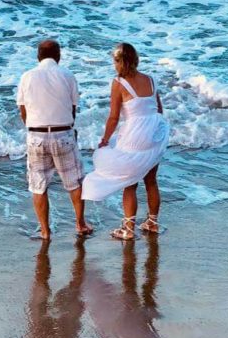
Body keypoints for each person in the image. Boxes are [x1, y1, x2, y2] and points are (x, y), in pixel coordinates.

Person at [82, 42, 169, 240]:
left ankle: (128, 229)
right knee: (151, 180)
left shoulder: (119, 82)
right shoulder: (151, 80)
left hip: (134, 135)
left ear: (120, 62)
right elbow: (159, 109)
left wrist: (105, 139)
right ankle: (152, 223)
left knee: (130, 183)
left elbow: (113, 117)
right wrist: (153, 131)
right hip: (155, 131)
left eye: (115, 60)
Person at [17, 38, 93, 241]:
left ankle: (45, 231)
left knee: (38, 185)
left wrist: (33, 128)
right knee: (74, 182)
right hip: (63, 133)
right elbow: (73, 108)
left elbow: (23, 110)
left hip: (36, 135)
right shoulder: (68, 75)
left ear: (38, 56)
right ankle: (80, 224)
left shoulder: (27, 76)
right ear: (58, 56)